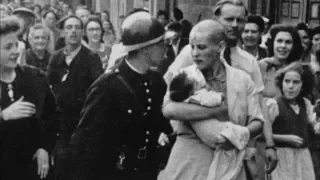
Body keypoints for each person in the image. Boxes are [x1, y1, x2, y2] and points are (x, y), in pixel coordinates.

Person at [164, 0, 278, 176]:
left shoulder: (247, 64)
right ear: (217, 18)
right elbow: (169, 104)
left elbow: (258, 109)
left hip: (232, 157)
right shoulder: (190, 54)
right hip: (192, 156)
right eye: (229, 19)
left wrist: (264, 143)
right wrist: (212, 114)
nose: (235, 25)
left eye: (240, 20)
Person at [67, 11, 173, 180]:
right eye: (161, 44)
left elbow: (162, 125)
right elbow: (84, 144)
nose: (166, 49)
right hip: (114, 172)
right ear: (146, 49)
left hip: (147, 171)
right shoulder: (108, 85)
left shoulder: (156, 81)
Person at [0, 16, 57, 180]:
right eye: (8, 47)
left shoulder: (35, 77)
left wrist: (44, 148)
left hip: (33, 169)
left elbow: (52, 117)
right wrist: (4, 116)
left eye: (16, 45)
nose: (15, 51)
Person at [47, 15, 103, 180]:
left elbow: (97, 93)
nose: (73, 31)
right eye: (69, 27)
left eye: (77, 27)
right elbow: (48, 88)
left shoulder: (91, 58)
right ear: (63, 32)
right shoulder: (56, 58)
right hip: (60, 127)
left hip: (81, 126)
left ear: (82, 32)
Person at [266, 62, 320, 180]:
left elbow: (315, 125)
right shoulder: (273, 104)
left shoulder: (305, 104)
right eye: (287, 81)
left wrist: (317, 125)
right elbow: (262, 134)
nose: (290, 86)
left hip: (302, 157)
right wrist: (285, 138)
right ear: (281, 83)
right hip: (281, 156)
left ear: (303, 85)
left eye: (296, 82)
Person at [259, 24, 303, 98]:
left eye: (288, 42)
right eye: (279, 41)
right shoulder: (261, 66)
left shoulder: (297, 69)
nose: (283, 46)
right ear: (272, 43)